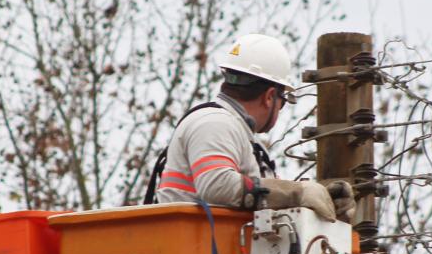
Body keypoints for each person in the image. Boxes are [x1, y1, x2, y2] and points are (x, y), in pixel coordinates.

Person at [147, 33, 355, 223]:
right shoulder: (214, 123)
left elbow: (261, 204)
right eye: (282, 101)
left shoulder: (240, 135)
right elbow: (217, 185)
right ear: (270, 97)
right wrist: (296, 193)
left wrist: (318, 199)